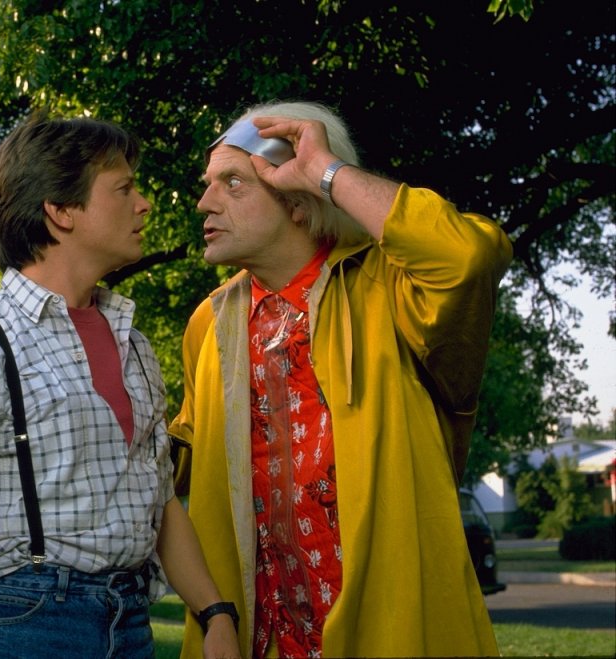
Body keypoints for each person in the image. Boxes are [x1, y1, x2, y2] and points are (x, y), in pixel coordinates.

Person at [0, 113, 242, 659]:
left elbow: (159, 500)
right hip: (25, 624)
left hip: (131, 624)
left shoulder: (134, 345)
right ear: (60, 212)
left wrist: (214, 611)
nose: (144, 204)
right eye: (123, 189)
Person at [169, 101, 512, 658]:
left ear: (297, 201)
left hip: (389, 631)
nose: (204, 202)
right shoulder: (208, 324)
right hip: (258, 638)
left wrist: (325, 172)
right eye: (208, 184)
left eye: (232, 182)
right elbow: (178, 454)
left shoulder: (391, 287)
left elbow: (466, 257)